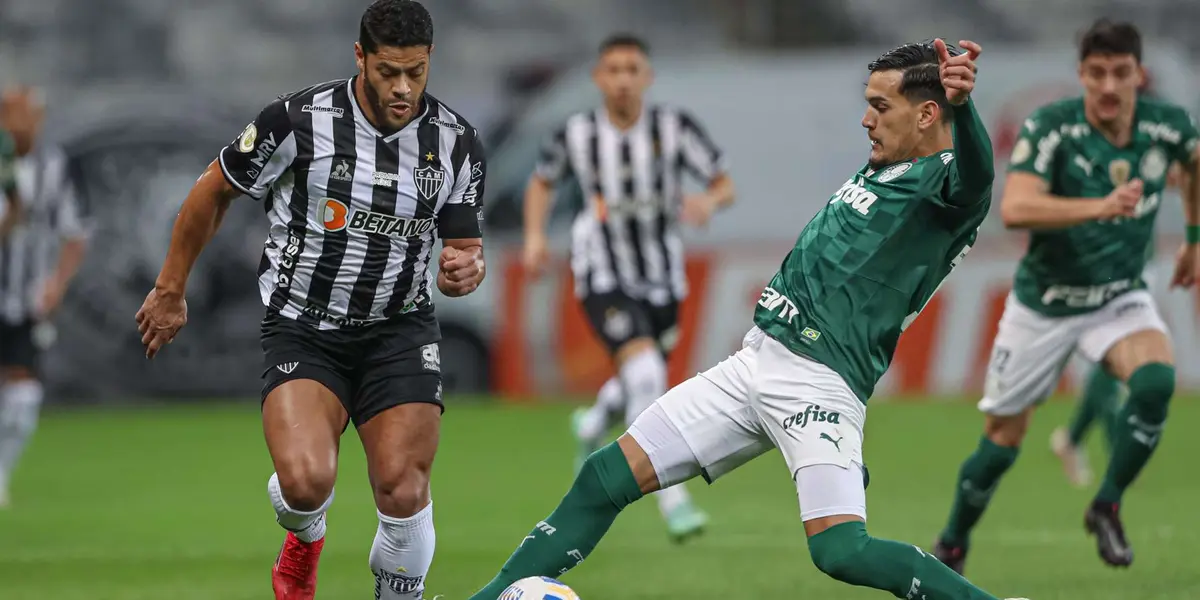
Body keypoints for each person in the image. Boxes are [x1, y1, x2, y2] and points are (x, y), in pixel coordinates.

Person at [468, 39, 1029, 600]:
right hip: (755, 361)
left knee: (840, 550)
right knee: (604, 476)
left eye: (880, 107)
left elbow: (977, 176)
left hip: (820, 380)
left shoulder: (946, 183)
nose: (866, 120)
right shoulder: (890, 167)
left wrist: (964, 108)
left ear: (927, 114)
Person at [135, 2, 487, 598]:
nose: (403, 88)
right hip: (304, 326)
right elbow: (214, 190)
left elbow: (465, 249)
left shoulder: (456, 142)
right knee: (304, 484)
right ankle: (305, 533)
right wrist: (171, 288)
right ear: (360, 58)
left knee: (404, 488)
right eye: (388, 72)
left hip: (398, 329)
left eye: (416, 72)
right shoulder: (298, 120)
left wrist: (465, 270)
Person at [934, 18, 1199, 573]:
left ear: (1139, 75)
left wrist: (1193, 240)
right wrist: (1099, 207)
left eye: (1120, 73)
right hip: (1045, 303)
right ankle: (953, 542)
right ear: (1081, 74)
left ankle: (1106, 505)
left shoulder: (1167, 126)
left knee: (1155, 382)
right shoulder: (1052, 126)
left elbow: (1194, 165)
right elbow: (1016, 208)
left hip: (1118, 296)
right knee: (1000, 443)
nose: (1108, 85)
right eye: (1097, 73)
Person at [522, 33, 735, 542]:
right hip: (602, 272)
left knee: (642, 372)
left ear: (647, 77)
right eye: (613, 70)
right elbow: (541, 181)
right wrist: (534, 237)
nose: (622, 80)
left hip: (662, 277)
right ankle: (672, 500)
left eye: (631, 69)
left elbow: (723, 182)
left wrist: (708, 202)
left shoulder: (673, 127)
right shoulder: (578, 133)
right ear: (599, 78)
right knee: (645, 371)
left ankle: (592, 424)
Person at [1050, 162, 1191, 488]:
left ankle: (1073, 439)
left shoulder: (1142, 146)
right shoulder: (1091, 150)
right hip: (1104, 265)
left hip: (1139, 264)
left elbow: (1171, 175)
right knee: (1114, 357)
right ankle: (1114, 452)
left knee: (1114, 359)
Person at [0, 86, 89, 508]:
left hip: (25, 299)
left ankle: (2, 470)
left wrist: (56, 283)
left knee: (23, 397)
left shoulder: (54, 166)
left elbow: (76, 233)